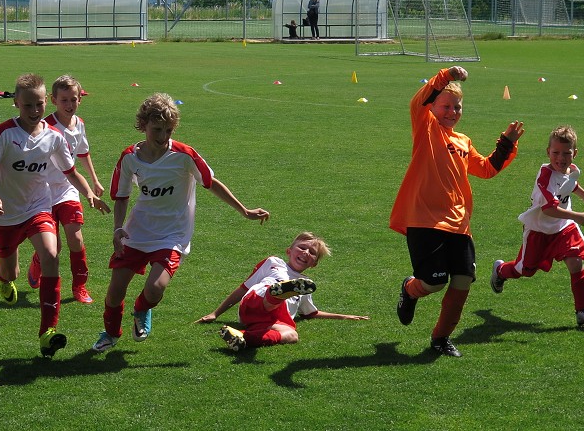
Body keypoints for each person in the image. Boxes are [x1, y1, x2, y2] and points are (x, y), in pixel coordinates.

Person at [91, 93, 270, 353]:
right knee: (115, 292)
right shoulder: (130, 157)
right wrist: (118, 228)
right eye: (156, 129)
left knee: (154, 290)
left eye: (167, 130)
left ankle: (141, 309)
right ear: (143, 125)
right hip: (137, 231)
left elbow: (211, 183)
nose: (162, 136)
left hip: (172, 235)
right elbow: (121, 197)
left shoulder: (184, 155)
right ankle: (110, 334)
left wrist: (244, 210)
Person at [390, 66, 525, 358]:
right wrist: (447, 75)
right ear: (434, 107)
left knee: (463, 280)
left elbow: (487, 169)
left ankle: (441, 338)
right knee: (434, 281)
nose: (452, 112)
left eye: (457, 107)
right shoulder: (426, 128)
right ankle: (410, 290)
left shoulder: (463, 141)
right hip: (424, 219)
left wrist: (507, 142)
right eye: (446, 106)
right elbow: (419, 102)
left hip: (459, 223)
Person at [0, 73, 110, 358]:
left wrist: (88, 193)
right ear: (16, 103)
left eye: (39, 105)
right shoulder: (3, 133)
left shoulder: (54, 136)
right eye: (28, 106)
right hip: (5, 213)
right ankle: (3, 276)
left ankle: (47, 332)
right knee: (11, 270)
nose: (35, 111)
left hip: (38, 207)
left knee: (52, 255)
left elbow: (70, 171)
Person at [490, 125, 584, 326]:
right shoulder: (545, 176)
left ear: (574, 153)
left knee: (576, 261)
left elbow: (570, 184)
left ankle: (583, 310)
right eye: (556, 153)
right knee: (525, 269)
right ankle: (500, 271)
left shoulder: (570, 170)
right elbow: (548, 210)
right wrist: (577, 216)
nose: (561, 158)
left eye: (566, 153)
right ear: (547, 152)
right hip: (539, 230)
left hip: (563, 227)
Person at [196, 232, 369, 351]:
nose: (306, 252)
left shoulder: (305, 285)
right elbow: (243, 288)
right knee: (273, 295)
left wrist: (343, 316)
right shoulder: (274, 263)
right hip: (255, 302)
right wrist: (215, 313)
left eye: (312, 252)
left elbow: (310, 314)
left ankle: (241, 337)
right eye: (302, 248)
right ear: (289, 251)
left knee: (291, 335)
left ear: (313, 264)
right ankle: (278, 292)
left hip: (263, 322)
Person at [27, 75, 104, 304]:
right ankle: (38, 262)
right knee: (55, 245)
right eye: (64, 100)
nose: (70, 105)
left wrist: (95, 181)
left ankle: (79, 287)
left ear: (80, 99)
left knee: (76, 237)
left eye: (74, 99)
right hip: (43, 192)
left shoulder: (79, 124)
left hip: (69, 188)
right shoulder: (45, 127)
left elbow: (82, 153)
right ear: (53, 100)